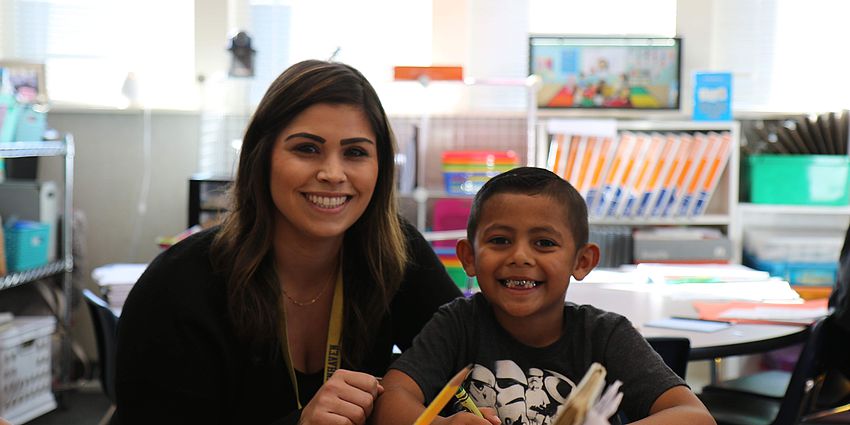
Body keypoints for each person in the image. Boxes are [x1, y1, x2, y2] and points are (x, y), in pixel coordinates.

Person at [115, 59, 462, 425]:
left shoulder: (396, 253)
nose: (332, 174)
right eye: (307, 149)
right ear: (261, 157)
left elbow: (475, 358)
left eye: (355, 152)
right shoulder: (178, 287)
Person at [371, 167, 716, 425]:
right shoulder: (457, 324)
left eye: (545, 243)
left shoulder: (605, 335)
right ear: (470, 258)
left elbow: (694, 416)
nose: (520, 256)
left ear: (582, 261)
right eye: (500, 240)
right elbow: (392, 399)